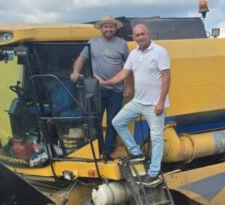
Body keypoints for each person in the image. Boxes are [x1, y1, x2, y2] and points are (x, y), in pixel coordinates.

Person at [98, 24, 170, 187]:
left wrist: (160, 101)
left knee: (156, 137)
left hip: (154, 104)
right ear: (134, 37)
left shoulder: (160, 52)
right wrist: (105, 82)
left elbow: (166, 77)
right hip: (138, 101)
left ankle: (154, 174)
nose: (140, 37)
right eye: (137, 35)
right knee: (117, 122)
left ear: (149, 34)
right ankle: (137, 153)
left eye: (143, 34)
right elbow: (124, 74)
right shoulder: (133, 55)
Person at [70, 14, 129, 161]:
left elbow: (129, 67)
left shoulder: (122, 44)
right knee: (95, 120)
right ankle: (98, 149)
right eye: (106, 26)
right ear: (101, 28)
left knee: (113, 121)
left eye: (111, 26)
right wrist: (75, 72)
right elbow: (80, 60)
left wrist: (128, 87)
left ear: (115, 28)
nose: (108, 29)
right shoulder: (92, 43)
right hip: (98, 89)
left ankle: (108, 152)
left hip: (117, 90)